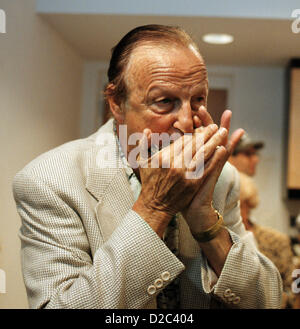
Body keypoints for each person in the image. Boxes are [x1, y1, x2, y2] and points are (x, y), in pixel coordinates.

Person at [12, 24, 282, 309]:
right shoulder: (49, 180)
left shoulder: (221, 177)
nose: (187, 122)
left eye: (198, 100)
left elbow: (268, 301)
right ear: (117, 102)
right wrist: (154, 208)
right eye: (165, 102)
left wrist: (205, 221)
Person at [239, 172, 295, 308]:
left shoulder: (276, 240)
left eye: (236, 204)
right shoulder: (215, 241)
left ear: (248, 203)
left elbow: (292, 287)